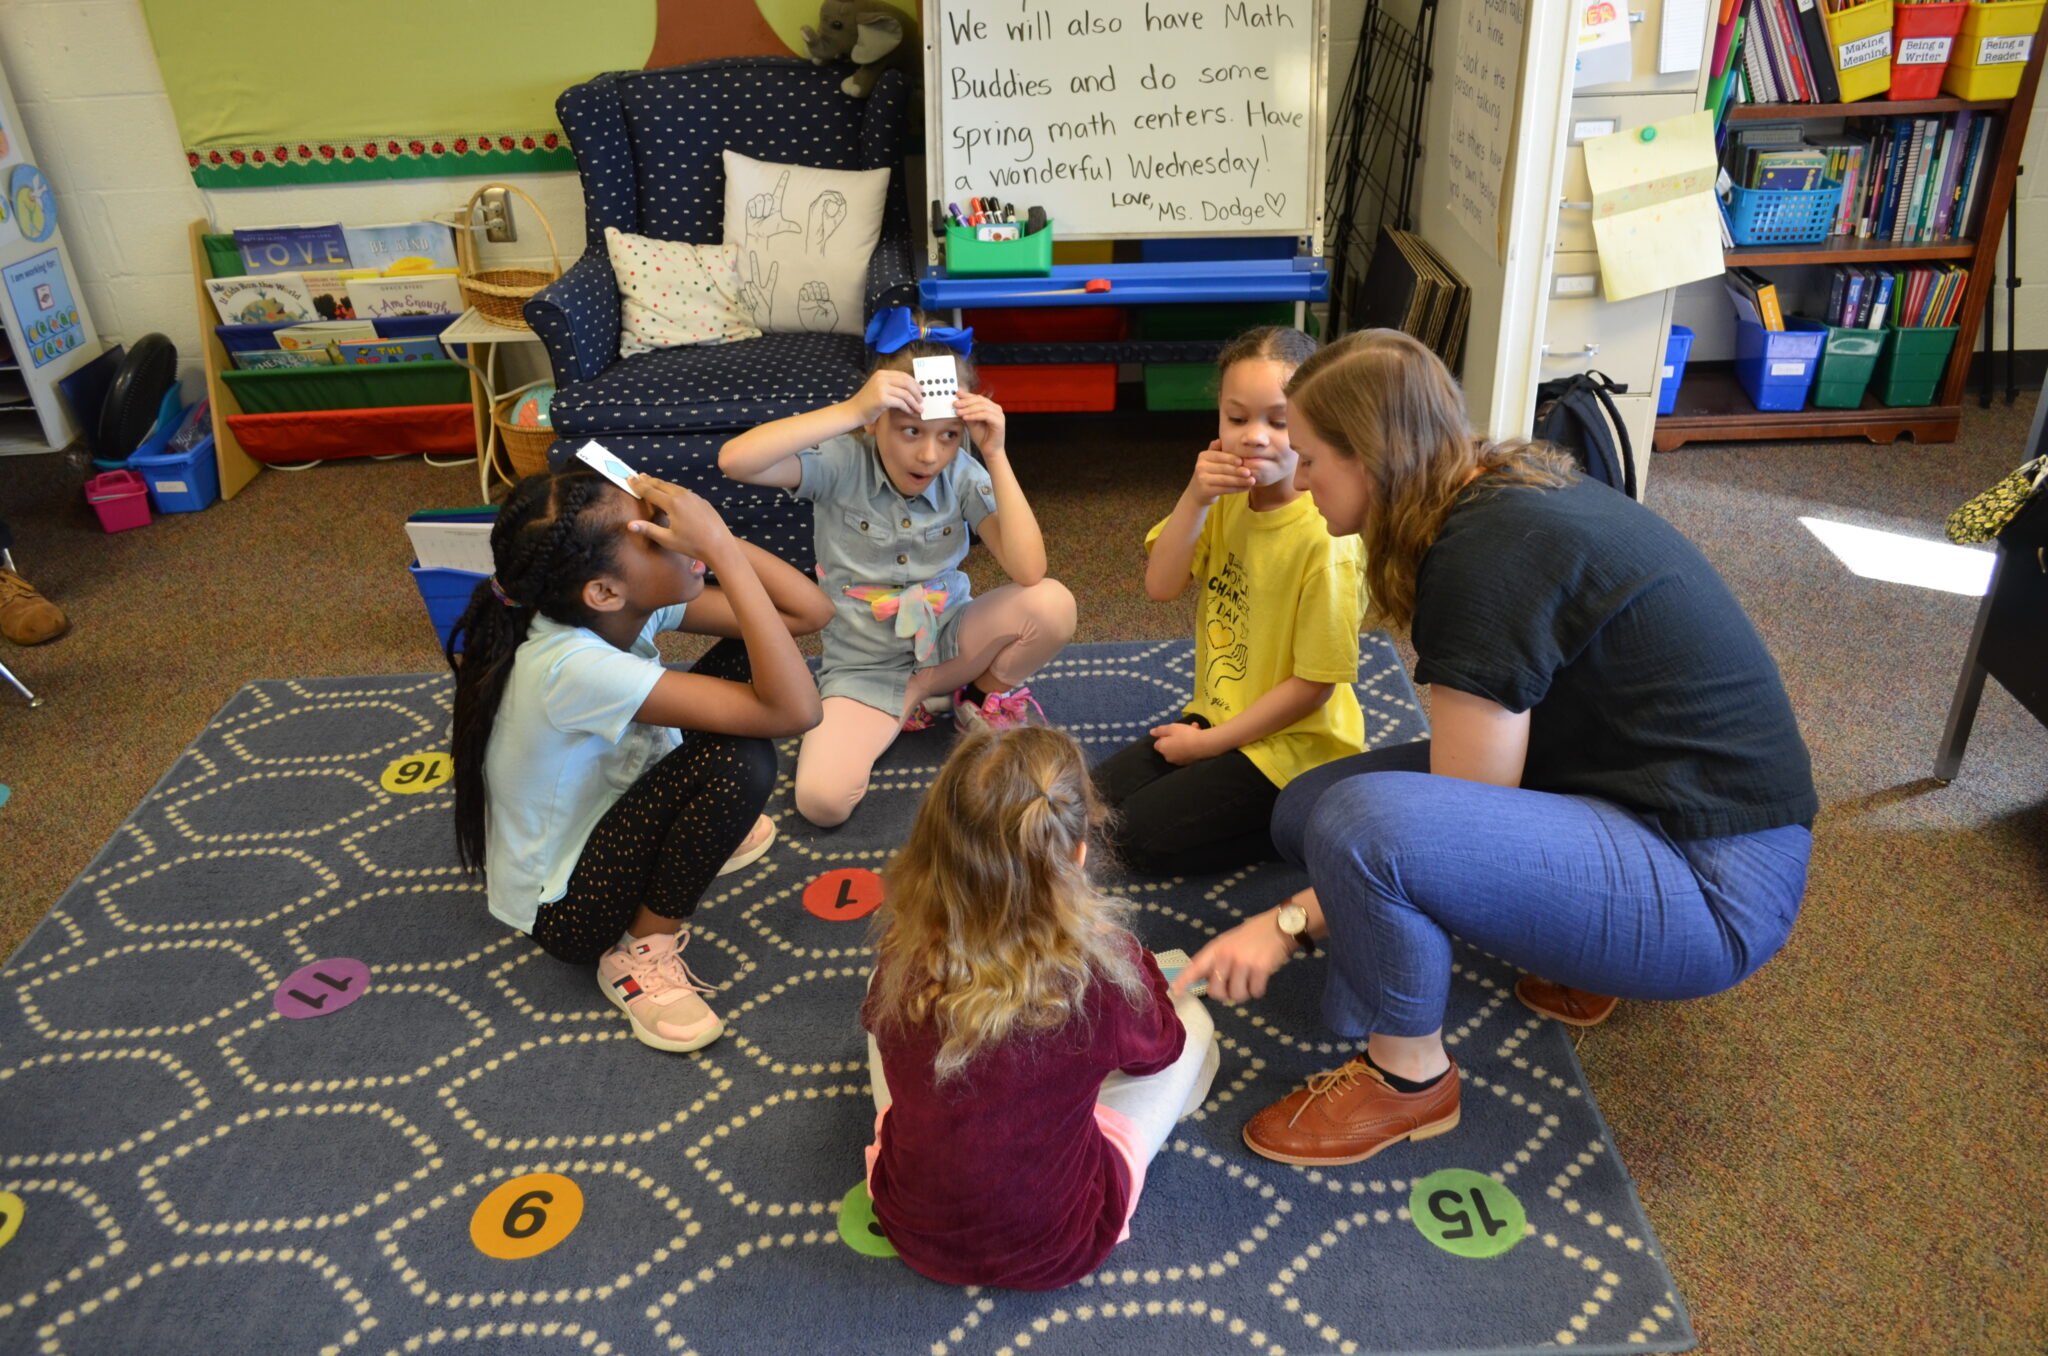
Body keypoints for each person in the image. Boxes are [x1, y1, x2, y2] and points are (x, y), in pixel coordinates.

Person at [1175, 330, 1815, 1167]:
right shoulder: (1490, 486)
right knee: (1308, 809)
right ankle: (1591, 941)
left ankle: (1411, 1077)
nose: (1298, 480)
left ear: (1370, 459)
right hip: (1649, 801)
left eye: (1312, 460)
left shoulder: (1483, 560)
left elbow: (1455, 814)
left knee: (1357, 828)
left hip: (1718, 889)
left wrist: (1288, 925)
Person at [446, 466, 831, 1054]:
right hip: (569, 907)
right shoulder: (570, 666)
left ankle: (688, 835)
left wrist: (714, 535)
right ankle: (639, 953)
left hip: (610, 807)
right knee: (743, 760)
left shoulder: (608, 605)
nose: (678, 532)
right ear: (604, 590)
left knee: (758, 650)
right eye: (655, 533)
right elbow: (797, 712)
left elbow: (808, 613)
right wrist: (720, 552)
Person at [861, 726, 1219, 1289]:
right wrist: (1136, 963)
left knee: (885, 1013)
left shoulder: (902, 948)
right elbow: (1161, 1049)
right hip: (1059, 1242)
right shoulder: (1099, 971)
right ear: (1076, 855)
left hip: (910, 1221)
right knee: (1193, 1026)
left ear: (933, 845)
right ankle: (1159, 1101)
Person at [719, 307, 1076, 828]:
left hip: (949, 646)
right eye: (910, 431)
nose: (930, 454)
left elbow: (1028, 569)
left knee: (1053, 604)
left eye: (949, 435)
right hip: (864, 670)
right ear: (876, 420)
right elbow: (735, 461)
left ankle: (975, 696)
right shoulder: (843, 458)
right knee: (821, 802)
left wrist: (995, 455)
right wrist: (851, 409)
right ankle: (913, 704)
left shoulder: (962, 469)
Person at [1091, 326, 1367, 874]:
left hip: (1295, 751)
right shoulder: (1224, 499)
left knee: (1136, 840)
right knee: (1092, 798)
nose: (1255, 437)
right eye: (1237, 419)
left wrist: (1209, 746)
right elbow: (1160, 586)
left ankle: (1302, 825)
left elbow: (1313, 687)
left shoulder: (1326, 538)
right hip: (1218, 716)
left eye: (1279, 422)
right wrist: (1194, 498)